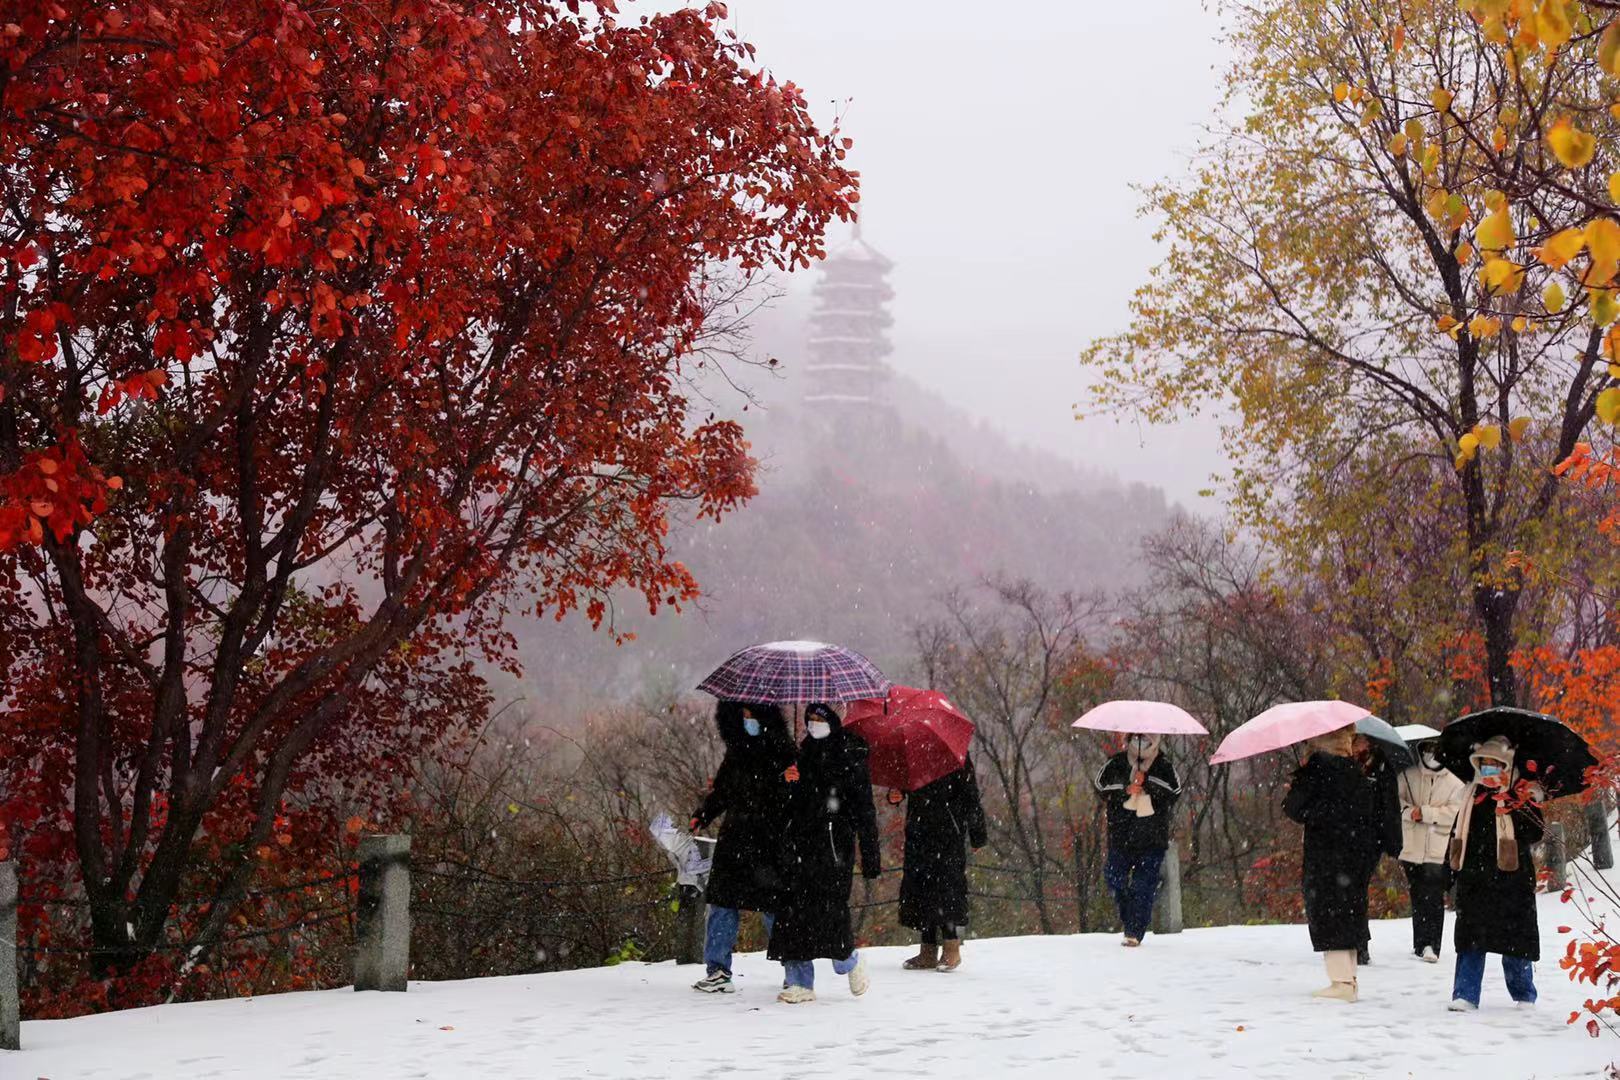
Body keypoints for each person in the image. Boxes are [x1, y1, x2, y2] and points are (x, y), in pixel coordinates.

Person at [767, 703, 882, 1004]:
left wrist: (871, 855)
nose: (814, 724)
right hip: (798, 847)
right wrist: (788, 782)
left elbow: (864, 809)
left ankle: (849, 960)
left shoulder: (849, 756)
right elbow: (788, 806)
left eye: (820, 719)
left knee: (829, 911)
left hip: (833, 849)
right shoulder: (801, 754)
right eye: (810, 720)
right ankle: (799, 981)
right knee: (791, 913)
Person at [689, 701, 796, 994]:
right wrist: (703, 814)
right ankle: (718, 970)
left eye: (751, 715)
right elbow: (722, 791)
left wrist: (790, 782)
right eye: (743, 715)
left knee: (774, 907)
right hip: (735, 837)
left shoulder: (785, 753)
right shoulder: (737, 751)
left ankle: (794, 969)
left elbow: (795, 797)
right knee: (723, 903)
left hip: (769, 839)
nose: (746, 720)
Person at [1282, 726, 1380, 1002]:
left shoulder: (1317, 768)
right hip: (1353, 855)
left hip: (1326, 854)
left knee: (1328, 911)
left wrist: (1297, 789)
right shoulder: (1355, 771)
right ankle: (1349, 978)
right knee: (1348, 911)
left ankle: (1340, 982)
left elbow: (1294, 808)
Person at [1447, 735, 1544, 1012]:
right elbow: (1458, 834)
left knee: (1515, 941)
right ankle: (1464, 994)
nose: (1489, 769)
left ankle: (1524, 995)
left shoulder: (1521, 794)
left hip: (1512, 880)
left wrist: (1517, 802)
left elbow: (1535, 833)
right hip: (1475, 880)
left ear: (1507, 765)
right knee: (1470, 939)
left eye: (1495, 764)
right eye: (1484, 764)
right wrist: (1450, 872)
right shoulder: (1471, 795)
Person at [898, 756, 988, 972]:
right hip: (919, 834)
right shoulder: (913, 755)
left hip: (947, 834)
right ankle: (927, 950)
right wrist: (898, 794)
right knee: (922, 889)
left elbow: (970, 796)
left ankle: (951, 948)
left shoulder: (957, 758)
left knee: (947, 891)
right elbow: (908, 787)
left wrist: (977, 834)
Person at [1094, 733, 1182, 948]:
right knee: (1115, 879)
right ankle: (1130, 917)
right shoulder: (1116, 763)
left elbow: (1175, 792)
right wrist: (1126, 789)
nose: (1140, 744)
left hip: (1152, 838)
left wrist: (1148, 786)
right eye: (1136, 739)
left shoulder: (1164, 766)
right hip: (1120, 836)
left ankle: (1134, 932)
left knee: (1143, 886)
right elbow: (1100, 786)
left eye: (1145, 740)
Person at [1398, 736, 1468, 963]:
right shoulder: (1407, 776)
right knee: (1417, 893)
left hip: (1438, 847)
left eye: (1436, 750)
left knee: (1434, 895)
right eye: (1427, 750)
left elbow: (1454, 812)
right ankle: (1420, 943)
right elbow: (1395, 802)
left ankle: (1432, 944)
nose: (1431, 754)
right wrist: (1410, 812)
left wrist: (1426, 813)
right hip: (1410, 846)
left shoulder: (1455, 783)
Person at [1351, 733, 1404, 965]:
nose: (1354, 745)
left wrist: (1391, 841)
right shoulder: (1344, 765)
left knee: (1357, 888)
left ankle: (1360, 942)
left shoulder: (1381, 767)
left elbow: (1390, 805)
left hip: (1371, 838)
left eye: (1358, 741)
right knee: (1350, 890)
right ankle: (1354, 940)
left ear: (1368, 743)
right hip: (1346, 837)